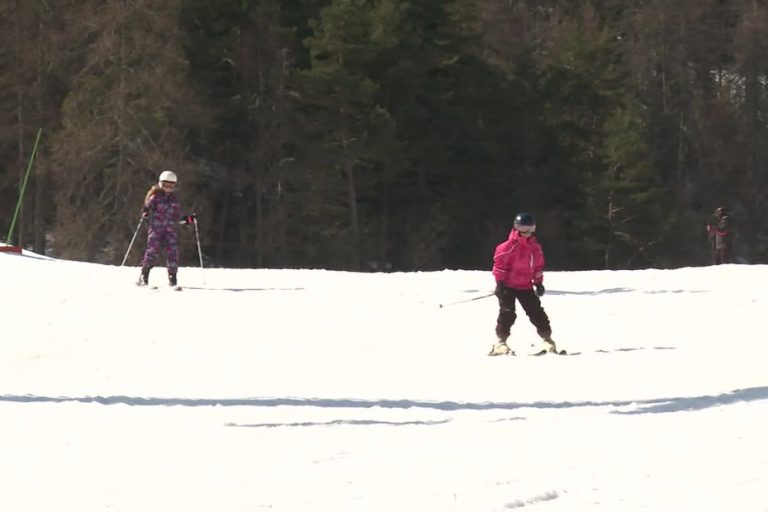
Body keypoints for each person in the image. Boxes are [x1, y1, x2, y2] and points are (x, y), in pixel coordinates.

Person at [489, 212, 558, 356]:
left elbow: (538, 267)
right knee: (507, 313)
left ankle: (547, 340)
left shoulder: (535, 247)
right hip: (508, 285)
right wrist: (500, 284)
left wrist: (538, 283)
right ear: (516, 227)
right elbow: (499, 266)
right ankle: (500, 342)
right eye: (522, 228)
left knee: (536, 312)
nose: (525, 232)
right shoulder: (507, 247)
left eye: (528, 228)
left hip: (525, 286)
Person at [137, 170, 196, 287]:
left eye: (171, 186)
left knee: (173, 252)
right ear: (160, 184)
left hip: (170, 230)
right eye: (166, 185)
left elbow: (177, 217)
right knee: (152, 251)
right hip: (156, 228)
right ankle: (144, 274)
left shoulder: (174, 200)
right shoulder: (155, 197)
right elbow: (148, 207)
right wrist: (146, 211)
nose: (168, 188)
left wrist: (188, 219)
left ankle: (172, 278)